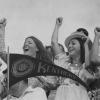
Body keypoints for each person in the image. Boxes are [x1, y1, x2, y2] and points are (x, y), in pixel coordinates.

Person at [51, 17, 95, 100]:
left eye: (73, 43)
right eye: (69, 44)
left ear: (81, 47)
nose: (69, 46)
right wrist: (57, 26)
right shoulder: (63, 61)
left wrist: (85, 45)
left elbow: (89, 69)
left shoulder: (85, 65)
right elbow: (54, 43)